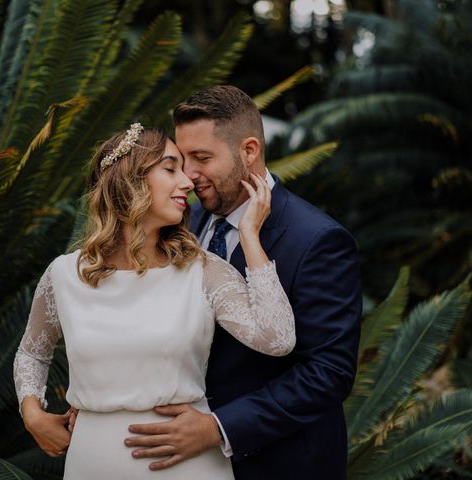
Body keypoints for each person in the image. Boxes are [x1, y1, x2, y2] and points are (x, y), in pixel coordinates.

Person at [12, 124, 296, 479]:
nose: (188, 182)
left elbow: (278, 339)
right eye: (171, 168)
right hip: (91, 464)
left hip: (187, 466)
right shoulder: (64, 275)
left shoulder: (203, 272)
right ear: (130, 179)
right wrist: (33, 413)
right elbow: (32, 352)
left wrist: (250, 237)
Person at [124, 86, 362, 479]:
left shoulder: (318, 240)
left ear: (249, 151)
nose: (189, 175)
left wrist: (218, 427)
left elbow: (329, 372)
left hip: (280, 463)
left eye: (202, 158)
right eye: (183, 160)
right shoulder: (185, 223)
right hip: (181, 462)